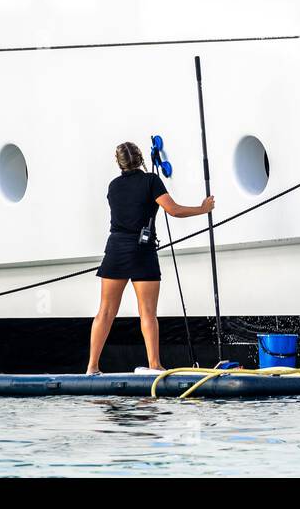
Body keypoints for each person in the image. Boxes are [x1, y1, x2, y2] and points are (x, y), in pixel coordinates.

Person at [86, 141, 214, 375]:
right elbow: (173, 210)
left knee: (105, 311)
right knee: (147, 312)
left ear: (119, 162)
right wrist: (203, 208)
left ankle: (92, 367)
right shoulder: (151, 181)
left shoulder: (113, 186)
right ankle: (154, 365)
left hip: (116, 249)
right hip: (141, 249)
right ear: (141, 158)